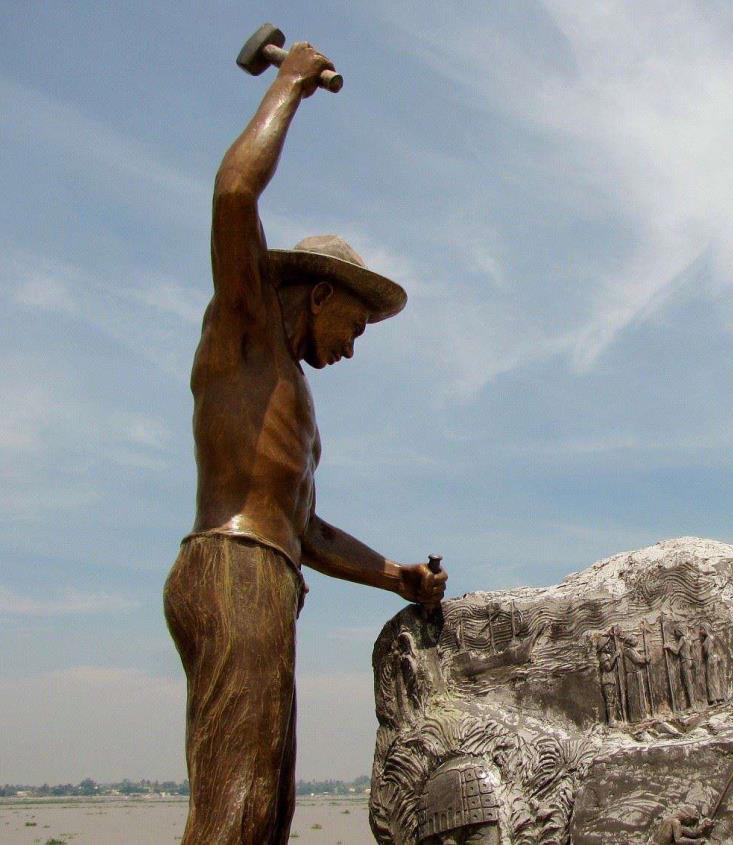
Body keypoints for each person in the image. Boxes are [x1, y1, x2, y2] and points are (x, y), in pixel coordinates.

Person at [163, 42, 447, 844]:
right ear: (319, 293)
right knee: (238, 803)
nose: (353, 347)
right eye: (352, 326)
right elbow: (233, 192)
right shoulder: (245, 331)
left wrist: (394, 575)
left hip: (268, 570)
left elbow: (308, 528)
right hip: (232, 566)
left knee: (270, 810)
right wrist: (290, 84)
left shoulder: (286, 388)